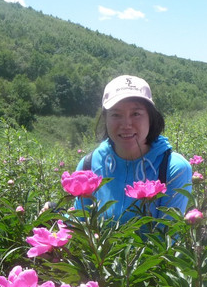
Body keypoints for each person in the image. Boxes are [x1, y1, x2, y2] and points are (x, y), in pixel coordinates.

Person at [74, 75, 192, 222]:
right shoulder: (88, 165)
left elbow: (168, 236)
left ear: (151, 117)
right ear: (105, 118)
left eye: (136, 114)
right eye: (116, 114)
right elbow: (79, 225)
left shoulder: (173, 168)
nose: (126, 124)